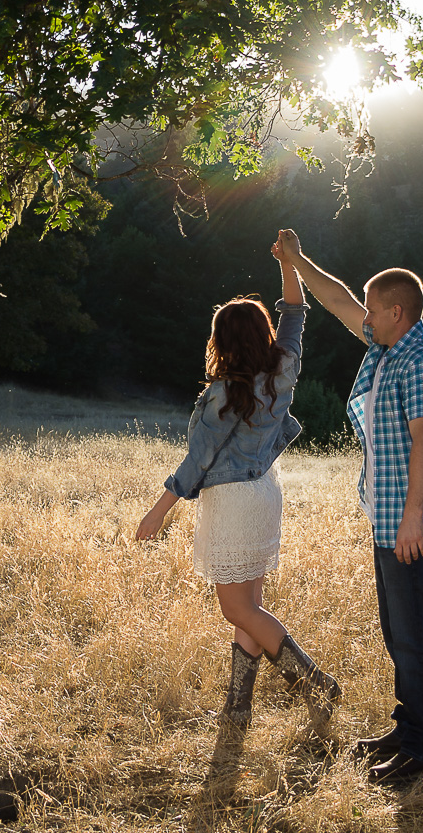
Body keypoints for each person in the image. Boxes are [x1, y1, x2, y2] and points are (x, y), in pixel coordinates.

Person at [135, 235, 340, 731]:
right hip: (266, 493)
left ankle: (317, 683)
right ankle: (238, 709)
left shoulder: (226, 393)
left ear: (222, 341)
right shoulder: (283, 369)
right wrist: (289, 263)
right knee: (252, 607)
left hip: (231, 501)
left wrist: (158, 511)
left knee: (238, 610)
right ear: (262, 335)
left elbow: (197, 461)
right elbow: (296, 312)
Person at [275, 228, 423, 785]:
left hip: (411, 520)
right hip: (388, 514)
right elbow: (339, 300)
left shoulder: (420, 360)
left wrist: (409, 522)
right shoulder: (387, 345)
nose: (365, 318)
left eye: (374, 311)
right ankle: (408, 726)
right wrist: (298, 261)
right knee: (398, 628)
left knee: (415, 630)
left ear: (397, 312)